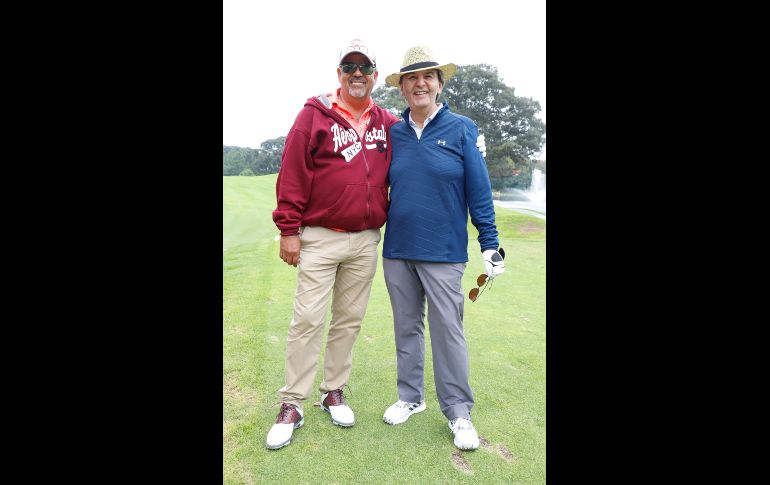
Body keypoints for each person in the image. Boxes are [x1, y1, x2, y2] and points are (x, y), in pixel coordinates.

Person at [266, 39, 400, 450]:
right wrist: (289, 229)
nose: (356, 74)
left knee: (349, 320)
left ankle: (333, 392)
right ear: (339, 73)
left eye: (364, 68)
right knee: (307, 319)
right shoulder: (314, 116)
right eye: (349, 67)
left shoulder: (387, 123)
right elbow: (292, 172)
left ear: (375, 75)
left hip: (365, 241)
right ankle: (292, 402)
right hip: (320, 237)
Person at [379, 46, 506, 451]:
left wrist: (490, 242)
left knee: (448, 331)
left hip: (445, 251)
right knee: (406, 327)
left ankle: (458, 412)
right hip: (398, 249)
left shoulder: (462, 128)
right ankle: (410, 397)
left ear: (438, 84)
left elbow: (479, 190)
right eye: (411, 78)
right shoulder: (393, 133)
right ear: (401, 88)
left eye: (427, 76)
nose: (419, 83)